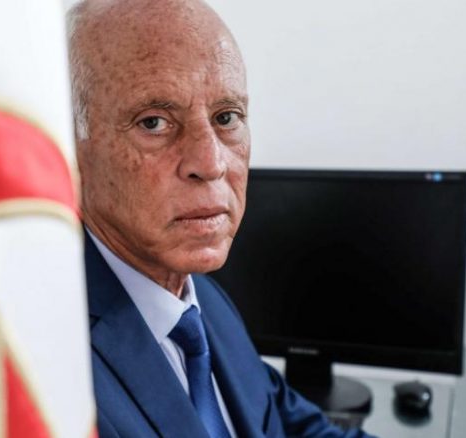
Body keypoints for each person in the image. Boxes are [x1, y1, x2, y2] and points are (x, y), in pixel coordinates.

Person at [68, 1, 376, 437]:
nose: (211, 163)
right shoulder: (53, 374)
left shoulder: (206, 301)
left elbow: (295, 426)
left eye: (226, 118)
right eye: (153, 122)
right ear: (70, 147)